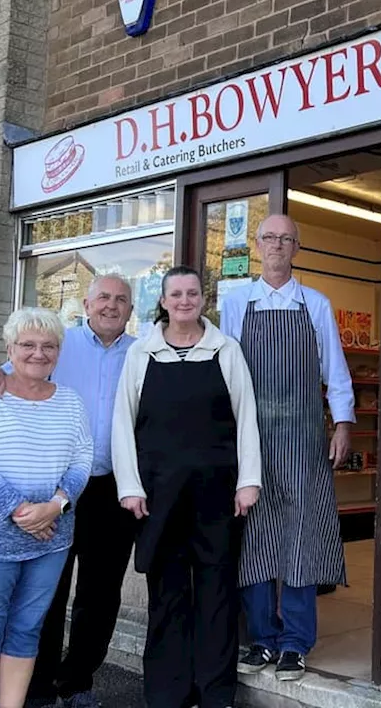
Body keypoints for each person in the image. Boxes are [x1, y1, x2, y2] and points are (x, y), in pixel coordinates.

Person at [0, 274, 138, 708]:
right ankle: (37, 691)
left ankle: (77, 683)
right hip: (54, 490)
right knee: (47, 594)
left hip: (112, 489)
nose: (111, 306)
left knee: (100, 595)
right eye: (103, 298)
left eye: (120, 300)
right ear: (86, 303)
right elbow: (16, 364)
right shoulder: (60, 343)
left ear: (131, 310)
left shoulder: (142, 352)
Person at [111, 266, 262, 708]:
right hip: (158, 496)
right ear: (162, 300)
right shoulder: (142, 354)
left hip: (218, 494)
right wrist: (129, 487)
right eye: (175, 293)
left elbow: (246, 419)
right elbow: (123, 425)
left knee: (217, 593)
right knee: (167, 593)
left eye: (192, 293)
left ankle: (216, 693)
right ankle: (166, 692)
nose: (184, 301)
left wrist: (249, 481)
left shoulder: (226, 350)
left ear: (202, 299)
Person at [220, 214, 354, 682]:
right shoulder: (237, 303)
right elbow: (227, 376)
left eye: (286, 239)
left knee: (302, 537)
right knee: (254, 538)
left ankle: (295, 643)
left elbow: (335, 371)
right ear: (257, 246)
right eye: (269, 238)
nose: (277, 245)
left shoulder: (315, 304)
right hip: (251, 437)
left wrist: (342, 424)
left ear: (297, 248)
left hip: (302, 438)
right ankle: (261, 639)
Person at [0, 307, 94, 708]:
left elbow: (83, 456)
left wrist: (58, 504)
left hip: (50, 540)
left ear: (58, 352)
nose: (38, 353)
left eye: (48, 346)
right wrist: (22, 512)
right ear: (9, 349)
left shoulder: (70, 403)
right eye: (27, 345)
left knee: (27, 629)